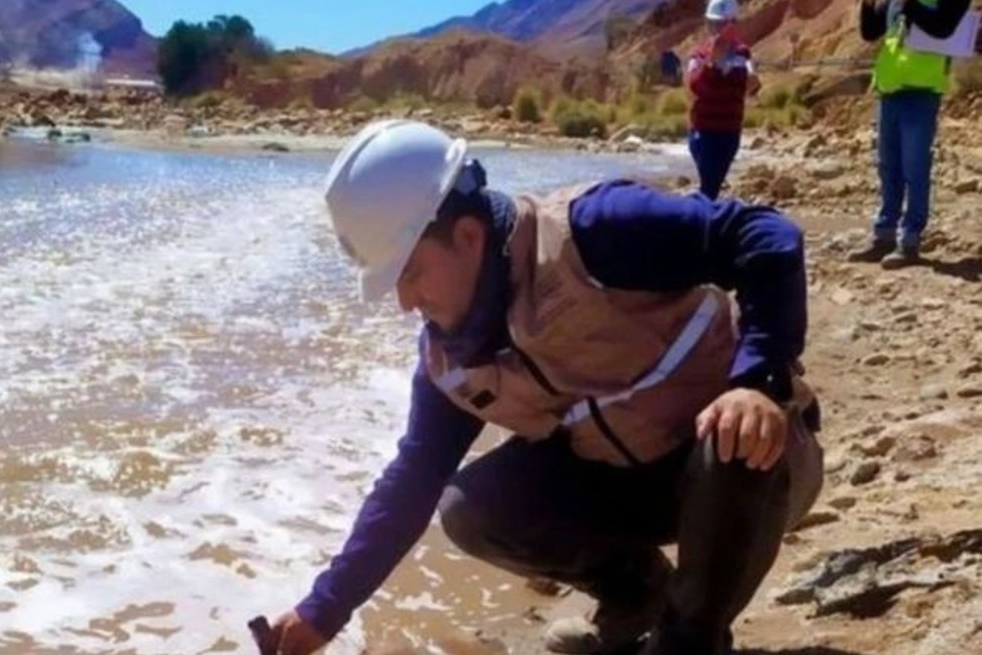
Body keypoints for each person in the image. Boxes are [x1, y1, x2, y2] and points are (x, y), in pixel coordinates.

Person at [257, 119, 824, 655]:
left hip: (756, 469)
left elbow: (763, 233)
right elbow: (412, 481)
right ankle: (638, 597)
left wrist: (757, 382)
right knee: (472, 508)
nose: (405, 301)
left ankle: (688, 639)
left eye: (409, 273)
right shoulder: (450, 359)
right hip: (639, 489)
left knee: (731, 435)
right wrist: (322, 612)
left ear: (469, 236)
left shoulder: (594, 231)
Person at [848, 0, 971, 268]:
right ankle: (884, 236)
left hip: (922, 90)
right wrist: (868, 5)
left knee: (914, 168)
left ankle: (910, 241)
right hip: (891, 88)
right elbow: (871, 32)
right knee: (888, 167)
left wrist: (909, 4)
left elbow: (943, 28)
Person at [685, 0, 761, 200]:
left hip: (730, 131)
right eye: (712, 24)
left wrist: (753, 84)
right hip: (703, 131)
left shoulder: (743, 54)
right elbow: (695, 87)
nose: (716, 30)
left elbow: (749, 89)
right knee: (709, 185)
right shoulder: (698, 55)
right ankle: (701, 215)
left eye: (722, 24)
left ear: (733, 25)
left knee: (714, 186)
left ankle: (701, 214)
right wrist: (712, 64)